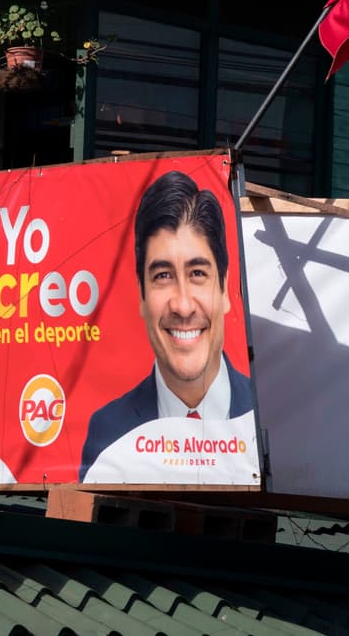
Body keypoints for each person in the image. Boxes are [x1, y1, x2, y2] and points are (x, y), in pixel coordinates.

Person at [78, 170, 254, 481]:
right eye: (163, 276)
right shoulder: (107, 433)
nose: (183, 306)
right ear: (142, 296)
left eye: (197, 273)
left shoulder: (269, 419)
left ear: (226, 289)